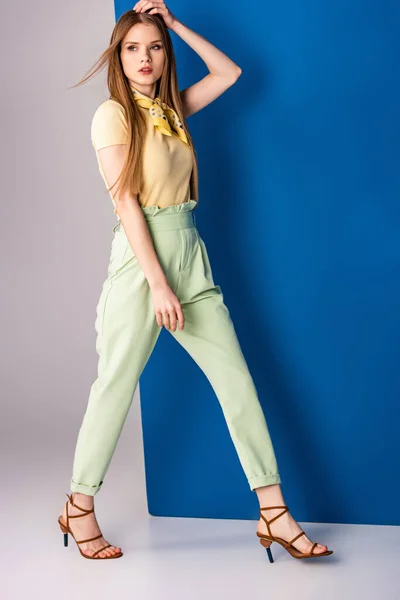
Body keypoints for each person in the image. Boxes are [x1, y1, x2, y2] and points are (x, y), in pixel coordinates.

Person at [57, 1, 333, 562]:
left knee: (237, 382)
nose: (145, 57)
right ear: (118, 54)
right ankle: (79, 507)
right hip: (143, 263)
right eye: (133, 47)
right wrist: (158, 284)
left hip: (191, 253)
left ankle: (274, 513)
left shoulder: (173, 112)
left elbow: (228, 74)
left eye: (155, 47)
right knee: (114, 384)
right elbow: (127, 203)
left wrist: (175, 23)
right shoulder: (112, 115)